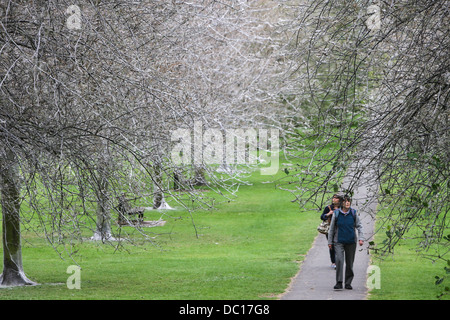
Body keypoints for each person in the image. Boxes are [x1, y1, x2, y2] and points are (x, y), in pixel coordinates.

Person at [327, 195, 364, 290]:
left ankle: (348, 282)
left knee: (349, 263)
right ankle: (339, 282)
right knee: (339, 260)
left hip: (351, 242)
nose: (347, 203)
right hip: (338, 241)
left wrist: (361, 238)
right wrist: (330, 242)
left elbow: (359, 226)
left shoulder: (353, 213)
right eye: (345, 201)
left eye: (349, 201)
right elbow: (331, 229)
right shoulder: (336, 213)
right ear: (342, 203)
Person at [320, 193, 343, 268]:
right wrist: (328, 214)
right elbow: (322, 217)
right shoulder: (328, 207)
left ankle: (339, 261)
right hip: (330, 229)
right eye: (333, 198)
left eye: (336, 198)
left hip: (340, 229)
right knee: (331, 245)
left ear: (340, 200)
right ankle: (333, 262)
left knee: (339, 245)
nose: (334, 199)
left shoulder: (342, 208)